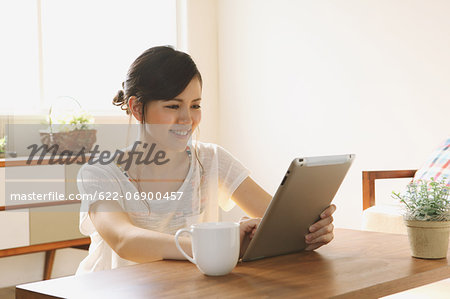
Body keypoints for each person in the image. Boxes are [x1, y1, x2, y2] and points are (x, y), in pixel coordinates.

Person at [75, 46, 336, 274]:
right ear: (136, 108)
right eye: (173, 106)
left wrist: (310, 231)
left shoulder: (211, 159)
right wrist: (222, 243)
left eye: (195, 105)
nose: (187, 119)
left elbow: (279, 222)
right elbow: (125, 240)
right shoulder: (100, 172)